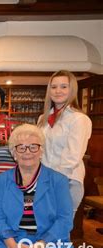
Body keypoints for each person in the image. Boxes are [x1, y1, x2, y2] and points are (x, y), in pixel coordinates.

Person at [0, 124, 73, 248]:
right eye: (21, 147)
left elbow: (65, 219)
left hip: (50, 241)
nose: (27, 152)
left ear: (41, 151)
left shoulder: (59, 181)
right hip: (10, 240)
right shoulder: (2, 180)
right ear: (14, 153)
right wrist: (12, 244)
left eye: (33, 146)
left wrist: (42, 244)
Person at [37, 70, 92, 214]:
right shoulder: (43, 118)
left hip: (66, 181)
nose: (58, 91)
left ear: (72, 89)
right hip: (44, 180)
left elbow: (72, 157)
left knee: (59, 229)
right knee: (42, 226)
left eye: (63, 86)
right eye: (54, 87)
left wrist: (52, 182)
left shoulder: (79, 119)